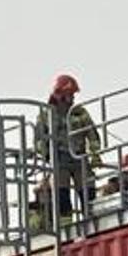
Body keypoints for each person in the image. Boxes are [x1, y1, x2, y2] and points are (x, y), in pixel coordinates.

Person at [33, 73, 101, 221]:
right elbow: (39, 140)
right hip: (59, 159)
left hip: (79, 156)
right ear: (60, 95)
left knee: (87, 190)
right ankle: (66, 226)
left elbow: (92, 134)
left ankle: (91, 220)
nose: (73, 98)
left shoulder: (80, 112)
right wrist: (47, 155)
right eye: (70, 94)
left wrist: (95, 154)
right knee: (62, 193)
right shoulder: (46, 116)